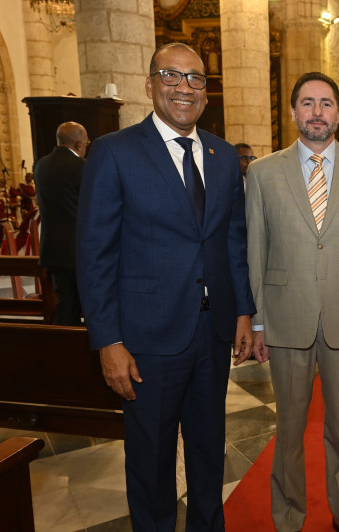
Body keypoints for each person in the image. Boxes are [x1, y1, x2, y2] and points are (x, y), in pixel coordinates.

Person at [76, 42, 255, 532]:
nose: (184, 87)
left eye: (195, 78)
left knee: (207, 448)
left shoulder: (221, 154)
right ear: (150, 84)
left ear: (206, 91)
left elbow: (231, 241)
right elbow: (94, 255)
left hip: (212, 332)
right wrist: (108, 341)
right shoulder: (114, 153)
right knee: (152, 459)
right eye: (171, 76)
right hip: (146, 339)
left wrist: (242, 311)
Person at [246, 71, 339, 532]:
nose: (316, 112)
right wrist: (257, 323)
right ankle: (288, 517)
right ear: (293, 112)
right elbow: (256, 250)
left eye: (326, 103)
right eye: (307, 103)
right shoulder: (262, 172)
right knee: (288, 430)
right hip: (286, 319)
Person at [34, 121, 88, 325]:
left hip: (52, 250)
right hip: (80, 251)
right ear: (78, 144)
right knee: (91, 305)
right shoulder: (82, 167)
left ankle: (65, 351)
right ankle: (88, 353)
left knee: (66, 305)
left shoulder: (40, 165)